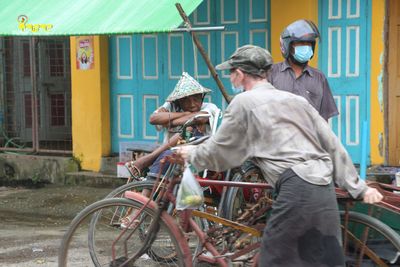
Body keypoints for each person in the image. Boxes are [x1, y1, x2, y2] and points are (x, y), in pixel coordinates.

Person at [178, 45, 383, 266]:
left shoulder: (243, 102)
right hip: (323, 188)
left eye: (231, 73)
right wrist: (358, 187)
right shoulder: (296, 100)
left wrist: (193, 153)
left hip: (296, 188)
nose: (230, 78)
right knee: (323, 260)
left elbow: (222, 152)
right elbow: (332, 145)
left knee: (274, 260)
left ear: (240, 74)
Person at [121, 72, 220, 228]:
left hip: (198, 159)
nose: (193, 103)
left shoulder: (210, 108)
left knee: (177, 143)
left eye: (196, 98)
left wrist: (173, 119)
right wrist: (184, 114)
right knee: (168, 156)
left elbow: (198, 119)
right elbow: (153, 118)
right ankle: (143, 207)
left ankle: (140, 210)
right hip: (174, 158)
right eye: (187, 100)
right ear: (179, 102)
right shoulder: (172, 107)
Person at [268, 19, 338, 121]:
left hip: (309, 136)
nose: (305, 47)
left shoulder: (319, 78)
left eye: (308, 44)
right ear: (287, 46)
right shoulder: (271, 73)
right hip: (279, 135)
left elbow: (324, 119)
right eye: (300, 43)